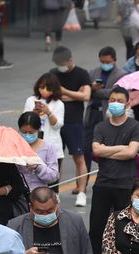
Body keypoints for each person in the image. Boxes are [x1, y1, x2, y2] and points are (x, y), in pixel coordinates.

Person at [90, 86, 139, 254]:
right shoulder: (101, 126)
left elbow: (131, 153)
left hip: (125, 184)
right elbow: (96, 150)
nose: (115, 104)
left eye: (120, 101)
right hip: (103, 183)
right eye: (112, 100)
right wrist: (122, 147)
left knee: (125, 228)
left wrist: (107, 150)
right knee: (96, 228)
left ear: (128, 103)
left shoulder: (135, 126)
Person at [52, 47, 92, 207]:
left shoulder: (82, 74)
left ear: (70, 60)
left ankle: (81, 191)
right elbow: (50, 95)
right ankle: (54, 192)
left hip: (74, 122)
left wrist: (63, 92)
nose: (60, 66)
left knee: (79, 157)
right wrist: (74, 95)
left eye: (63, 63)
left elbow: (86, 96)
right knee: (54, 159)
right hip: (55, 123)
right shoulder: (53, 73)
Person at [24, 73, 66, 162]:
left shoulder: (58, 104)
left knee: (52, 174)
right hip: (32, 145)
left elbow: (57, 125)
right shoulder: (31, 100)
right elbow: (24, 122)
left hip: (52, 146)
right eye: (42, 87)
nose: (43, 90)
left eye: (48, 88)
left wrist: (48, 112)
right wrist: (34, 113)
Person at [17, 112, 60, 191]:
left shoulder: (48, 147)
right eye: (23, 132)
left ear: (38, 130)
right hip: (18, 194)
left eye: (31, 132)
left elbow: (54, 176)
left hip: (39, 194)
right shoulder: (14, 146)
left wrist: (37, 167)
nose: (27, 135)